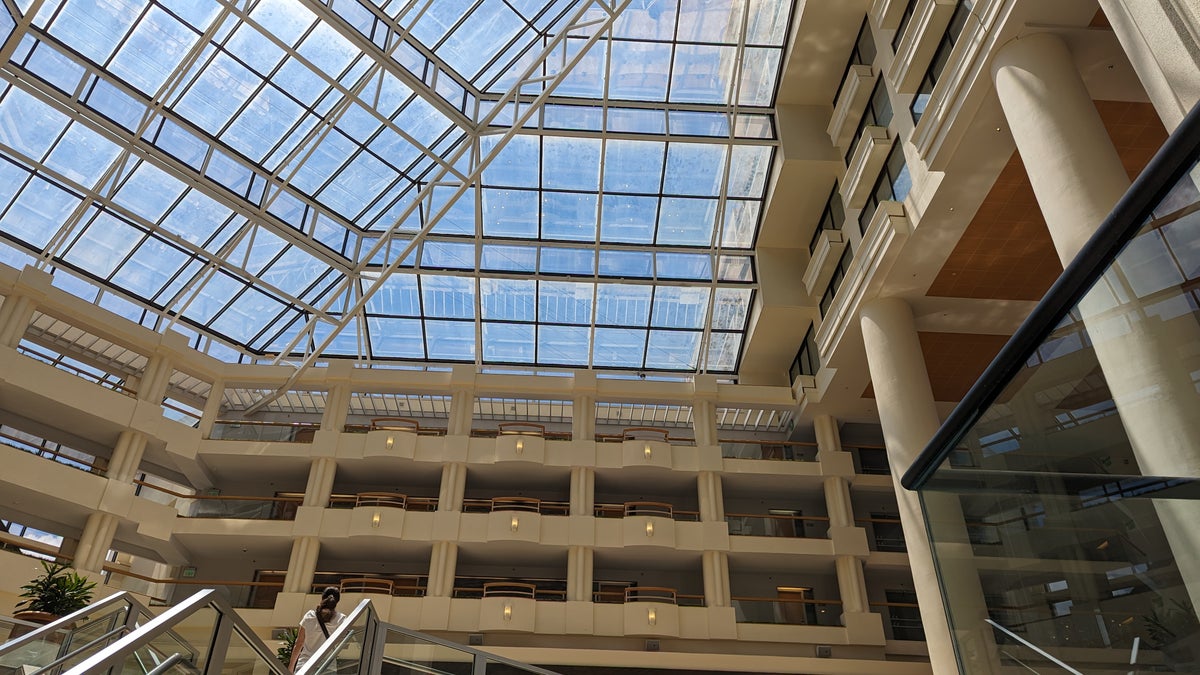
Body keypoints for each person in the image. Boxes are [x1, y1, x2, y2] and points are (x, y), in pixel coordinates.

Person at [288, 587, 345, 672]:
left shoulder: (309, 616)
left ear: (322, 598)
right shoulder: (341, 619)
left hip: (305, 665)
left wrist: (291, 667)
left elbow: (299, 643)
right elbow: (342, 642)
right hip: (327, 667)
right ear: (337, 602)